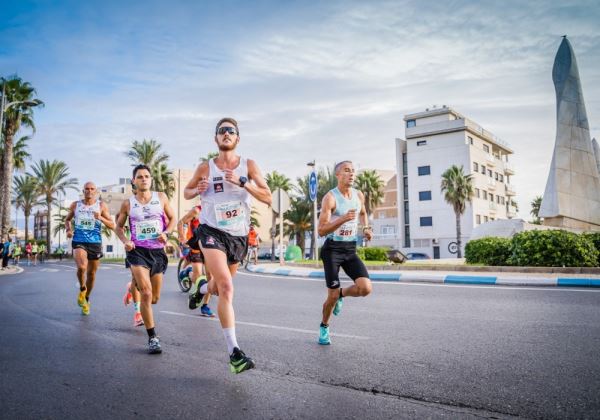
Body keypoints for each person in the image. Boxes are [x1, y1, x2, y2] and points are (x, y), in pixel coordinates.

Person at [184, 117, 272, 373]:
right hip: (211, 231)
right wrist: (197, 188)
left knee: (216, 286)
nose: (226, 134)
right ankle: (234, 352)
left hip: (238, 236)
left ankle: (200, 291)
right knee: (226, 286)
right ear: (216, 139)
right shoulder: (206, 167)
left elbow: (267, 197)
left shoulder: (249, 165)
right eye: (221, 131)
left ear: (237, 138)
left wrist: (243, 183)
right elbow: (188, 193)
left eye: (230, 131)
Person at [116, 164, 176, 354]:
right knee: (147, 294)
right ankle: (152, 338)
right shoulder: (128, 203)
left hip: (157, 252)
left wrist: (166, 233)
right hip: (137, 251)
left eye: (147, 176)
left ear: (151, 179)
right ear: (134, 181)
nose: (144, 179)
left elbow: (173, 219)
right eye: (140, 177)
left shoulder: (161, 198)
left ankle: (131, 286)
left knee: (155, 299)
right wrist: (126, 241)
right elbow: (118, 227)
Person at [317, 161, 373, 345]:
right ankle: (324, 326)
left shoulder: (358, 195)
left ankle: (342, 294)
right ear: (338, 175)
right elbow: (321, 230)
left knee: (365, 288)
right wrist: (342, 219)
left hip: (350, 249)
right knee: (330, 297)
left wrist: (366, 228)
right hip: (332, 250)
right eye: (347, 171)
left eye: (353, 171)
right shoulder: (330, 198)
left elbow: (363, 212)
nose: (351, 174)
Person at [65, 182, 115, 316]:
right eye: (87, 189)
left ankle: (86, 298)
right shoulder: (76, 205)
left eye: (92, 189)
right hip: (79, 240)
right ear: (83, 191)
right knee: (82, 267)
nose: (89, 191)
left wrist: (101, 218)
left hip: (95, 243)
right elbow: (67, 220)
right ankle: (82, 288)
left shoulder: (101, 206)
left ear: (96, 191)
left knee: (92, 274)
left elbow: (112, 225)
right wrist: (68, 230)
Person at [177, 205, 215, 317]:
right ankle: (187, 272)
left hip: (210, 247)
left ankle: (205, 306)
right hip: (196, 247)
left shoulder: (217, 210)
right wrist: (182, 238)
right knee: (198, 276)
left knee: (210, 278)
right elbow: (181, 222)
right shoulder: (196, 210)